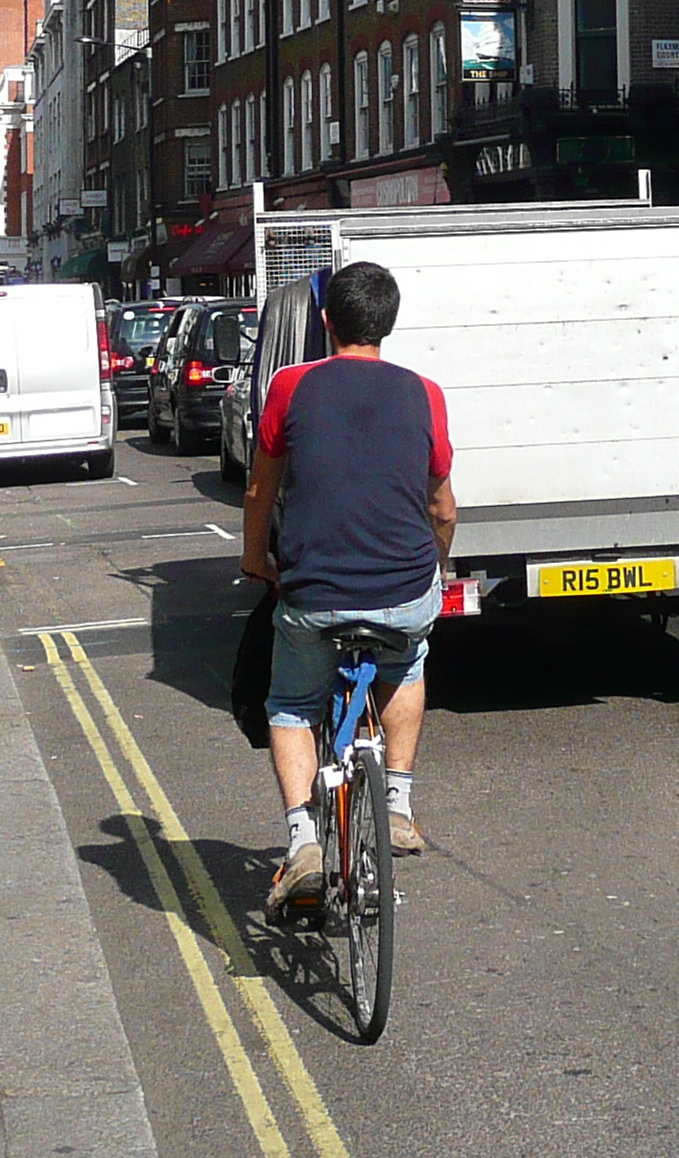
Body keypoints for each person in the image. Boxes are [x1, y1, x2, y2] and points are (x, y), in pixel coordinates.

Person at [239, 261, 455, 910]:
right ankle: (396, 803)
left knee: (289, 705)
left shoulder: (290, 387)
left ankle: (303, 843)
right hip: (405, 585)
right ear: (388, 324)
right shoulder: (426, 392)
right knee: (407, 663)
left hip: (315, 593)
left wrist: (257, 560)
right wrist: (436, 568)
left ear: (326, 321)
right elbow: (442, 508)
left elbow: (260, 491)